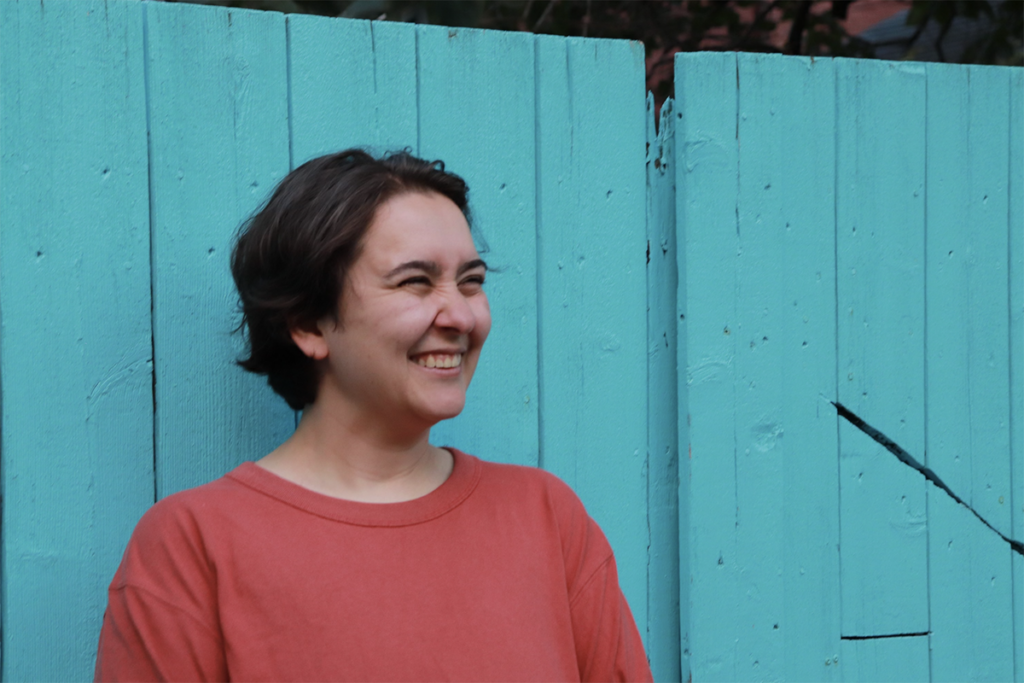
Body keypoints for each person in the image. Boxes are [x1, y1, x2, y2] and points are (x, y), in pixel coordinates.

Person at [94, 149, 653, 682]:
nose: (460, 314)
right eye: (415, 281)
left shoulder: (548, 520)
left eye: (472, 282)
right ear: (309, 323)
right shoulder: (193, 545)